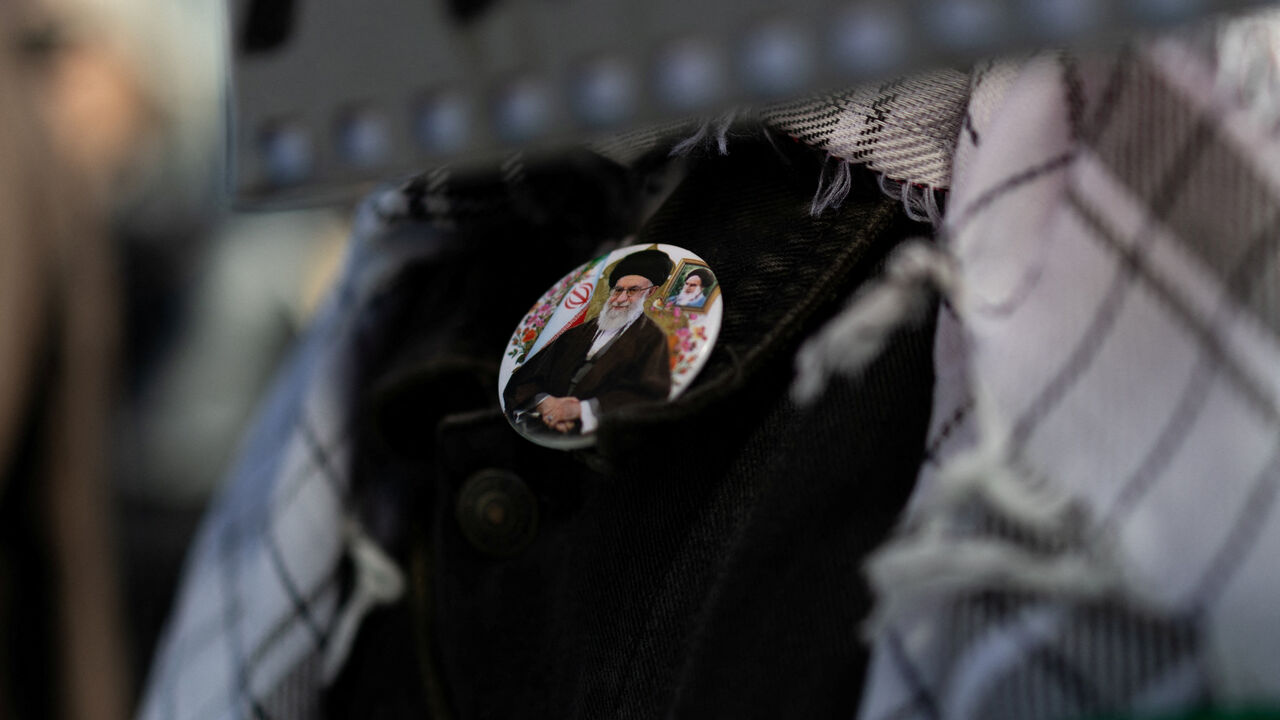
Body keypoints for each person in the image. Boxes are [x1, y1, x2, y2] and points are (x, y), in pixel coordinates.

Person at [503, 248, 673, 435]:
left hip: (601, 431)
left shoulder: (652, 338)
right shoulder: (577, 333)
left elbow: (648, 394)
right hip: (542, 421)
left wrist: (581, 410)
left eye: (633, 290)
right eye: (618, 290)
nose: (621, 299)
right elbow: (526, 377)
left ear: (651, 292)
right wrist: (544, 403)